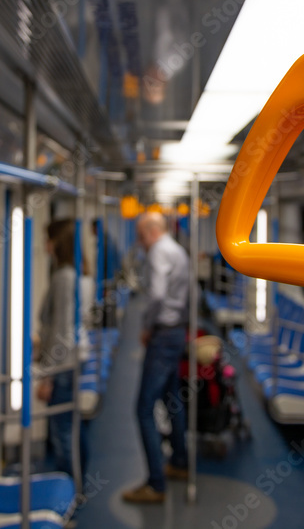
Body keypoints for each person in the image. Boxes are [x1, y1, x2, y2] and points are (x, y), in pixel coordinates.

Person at [122, 212, 190, 504]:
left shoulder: (158, 253)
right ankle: (179, 460)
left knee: (144, 408)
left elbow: (157, 295)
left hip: (162, 334)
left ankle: (155, 483)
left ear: (151, 231)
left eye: (140, 235)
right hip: (177, 331)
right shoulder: (177, 251)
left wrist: (147, 326)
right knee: (171, 398)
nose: (139, 241)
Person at [36, 219, 93, 481]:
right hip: (71, 360)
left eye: (48, 240)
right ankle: (78, 478)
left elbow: (62, 332)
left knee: (62, 430)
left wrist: (47, 374)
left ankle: (69, 488)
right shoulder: (76, 274)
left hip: (62, 364)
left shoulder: (63, 278)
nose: (45, 246)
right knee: (71, 423)